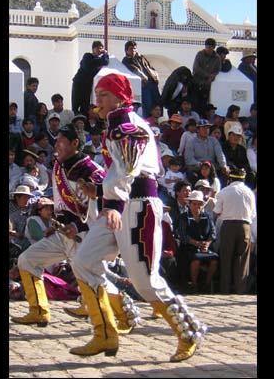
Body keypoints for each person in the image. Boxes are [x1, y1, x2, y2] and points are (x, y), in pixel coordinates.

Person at [69, 73, 207, 361]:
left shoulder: (127, 126)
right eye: (97, 95)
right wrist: (100, 193)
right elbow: (119, 171)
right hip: (119, 206)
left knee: (144, 279)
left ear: (120, 97)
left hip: (137, 207)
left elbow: (127, 172)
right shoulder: (116, 125)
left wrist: (112, 204)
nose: (98, 101)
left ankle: (189, 331)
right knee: (83, 261)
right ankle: (105, 333)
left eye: (104, 94)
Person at [12, 124, 139, 332]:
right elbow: (62, 202)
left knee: (92, 278)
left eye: (61, 142)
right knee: (27, 260)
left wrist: (76, 224)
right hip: (63, 234)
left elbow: (107, 197)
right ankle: (39, 310)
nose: (57, 145)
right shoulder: (58, 165)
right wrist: (60, 223)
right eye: (57, 141)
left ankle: (126, 313)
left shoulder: (89, 170)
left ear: (75, 143)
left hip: (84, 235)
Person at [212, 167, 256, 294]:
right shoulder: (250, 193)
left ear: (230, 178)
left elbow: (216, 211)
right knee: (242, 260)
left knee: (226, 258)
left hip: (228, 226)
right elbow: (253, 214)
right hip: (245, 227)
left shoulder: (224, 191)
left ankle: (224, 289)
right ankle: (240, 290)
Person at [176, 191, 218, 293]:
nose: (197, 206)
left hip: (205, 247)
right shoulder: (184, 217)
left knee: (215, 259)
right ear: (189, 204)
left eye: (199, 204)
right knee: (196, 259)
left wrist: (207, 243)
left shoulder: (207, 216)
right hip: (189, 247)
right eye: (194, 204)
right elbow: (182, 235)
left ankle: (206, 284)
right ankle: (194, 285)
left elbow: (213, 232)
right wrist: (196, 243)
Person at [121, 41, 161, 118]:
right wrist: (142, 76)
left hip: (152, 83)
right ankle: (148, 121)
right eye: (131, 49)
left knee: (157, 104)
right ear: (126, 50)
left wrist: (155, 75)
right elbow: (134, 69)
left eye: (134, 49)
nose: (133, 50)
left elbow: (150, 67)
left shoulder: (141, 57)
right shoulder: (126, 60)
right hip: (143, 85)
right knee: (147, 105)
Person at [72, 40, 109, 115]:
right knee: (75, 105)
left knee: (85, 106)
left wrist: (105, 54)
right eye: (98, 48)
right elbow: (87, 66)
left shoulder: (99, 61)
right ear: (93, 49)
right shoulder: (87, 56)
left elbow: (106, 61)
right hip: (79, 83)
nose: (99, 50)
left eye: (101, 48)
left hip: (87, 86)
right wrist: (103, 57)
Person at [192, 38, 221, 115]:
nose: (208, 49)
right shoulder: (200, 54)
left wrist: (213, 76)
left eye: (210, 47)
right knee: (194, 104)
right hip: (196, 83)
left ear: (213, 47)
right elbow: (196, 68)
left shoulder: (217, 58)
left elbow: (217, 70)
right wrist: (208, 75)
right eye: (207, 47)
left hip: (207, 86)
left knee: (204, 105)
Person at [9, 185, 36, 253]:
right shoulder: (10, 208)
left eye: (28, 198)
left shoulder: (31, 206)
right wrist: (14, 233)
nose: (27, 200)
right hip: (14, 238)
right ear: (17, 197)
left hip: (29, 239)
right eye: (24, 198)